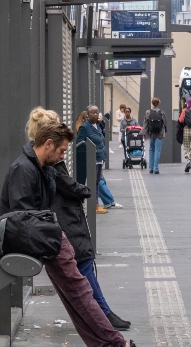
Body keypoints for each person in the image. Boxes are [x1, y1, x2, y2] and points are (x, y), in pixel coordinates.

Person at [0, 110, 157, 347]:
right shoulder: (25, 169)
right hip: (46, 238)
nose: (63, 157)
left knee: (76, 299)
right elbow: (22, 215)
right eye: (61, 151)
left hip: (47, 236)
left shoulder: (42, 166)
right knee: (82, 295)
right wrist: (54, 233)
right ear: (48, 143)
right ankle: (121, 346)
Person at [27, 109, 132, 331]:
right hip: (64, 221)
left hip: (63, 220)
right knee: (82, 268)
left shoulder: (43, 159)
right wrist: (83, 190)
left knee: (81, 269)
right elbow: (64, 183)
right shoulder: (49, 162)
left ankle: (102, 314)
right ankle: (101, 315)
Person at [74, 106, 123, 213]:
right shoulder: (85, 127)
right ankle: (94, 205)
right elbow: (79, 143)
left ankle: (96, 204)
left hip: (100, 158)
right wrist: (90, 150)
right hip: (91, 159)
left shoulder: (98, 125)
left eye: (97, 112)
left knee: (96, 182)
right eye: (92, 113)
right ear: (87, 114)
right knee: (94, 182)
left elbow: (101, 138)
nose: (95, 115)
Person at [142, 97, 168, 174]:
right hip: (159, 133)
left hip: (151, 133)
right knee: (157, 150)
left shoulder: (148, 112)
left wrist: (144, 133)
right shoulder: (162, 112)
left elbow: (145, 123)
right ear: (158, 103)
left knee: (151, 149)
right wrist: (165, 131)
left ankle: (151, 168)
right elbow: (165, 123)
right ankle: (156, 168)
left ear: (151, 103)